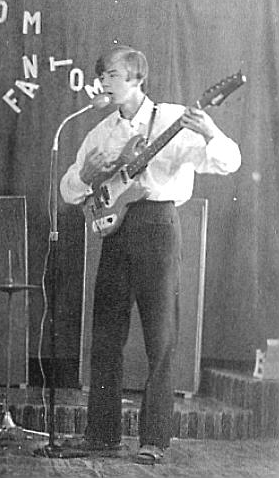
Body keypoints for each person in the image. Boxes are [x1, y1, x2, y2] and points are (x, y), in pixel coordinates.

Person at [60, 46, 241, 464]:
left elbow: (229, 162)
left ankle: (155, 439)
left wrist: (211, 131)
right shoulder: (101, 131)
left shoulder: (174, 118)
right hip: (115, 231)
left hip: (158, 227)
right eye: (102, 76)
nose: (104, 83)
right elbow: (70, 190)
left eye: (112, 75)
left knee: (161, 338)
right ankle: (101, 435)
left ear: (138, 79)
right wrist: (86, 176)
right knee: (105, 337)